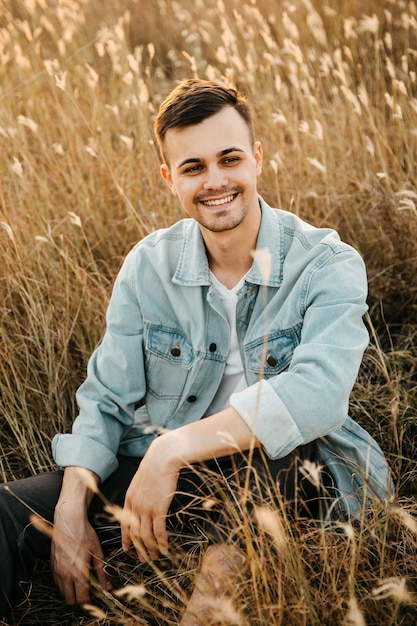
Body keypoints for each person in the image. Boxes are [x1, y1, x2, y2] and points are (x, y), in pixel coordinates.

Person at [0, 78, 393, 623]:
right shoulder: (149, 266)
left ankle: (213, 593)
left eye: (229, 159)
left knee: (275, 453)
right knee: (7, 511)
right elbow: (108, 396)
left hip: (292, 475)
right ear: (169, 179)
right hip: (177, 477)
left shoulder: (326, 263)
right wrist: (71, 509)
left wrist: (171, 451)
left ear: (257, 159)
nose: (215, 181)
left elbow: (318, 397)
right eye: (193, 168)